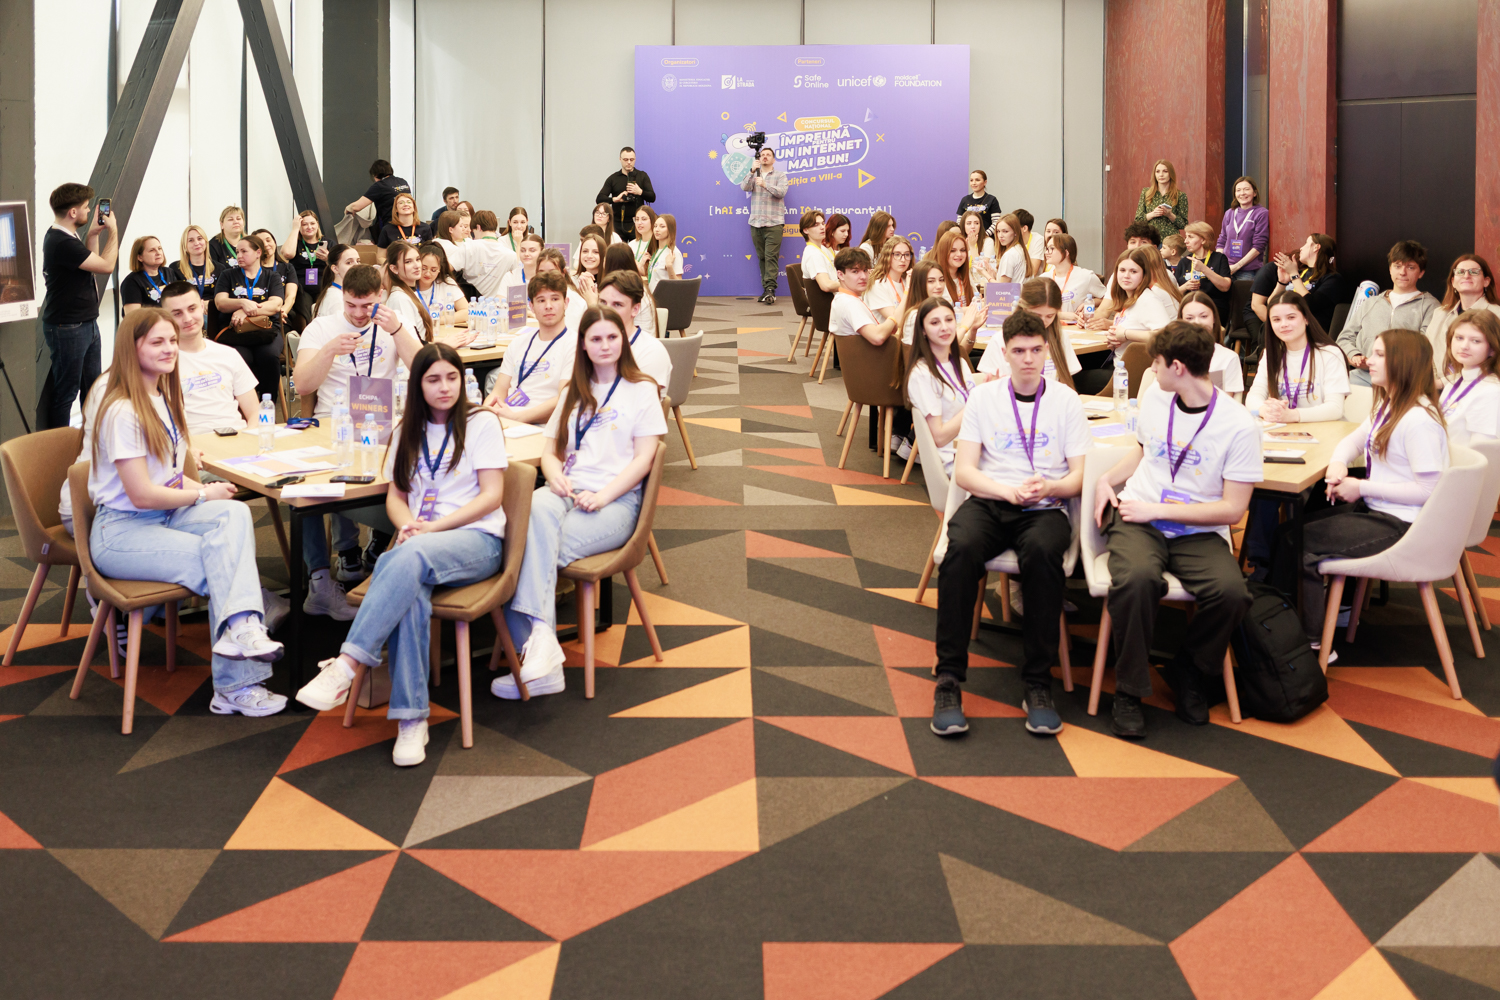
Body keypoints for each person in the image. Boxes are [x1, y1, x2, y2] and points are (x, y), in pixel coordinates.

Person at [295, 343, 508, 765]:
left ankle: (347, 663)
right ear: (418, 386)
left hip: (476, 542)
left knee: (402, 559)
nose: (445, 387)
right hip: (420, 546)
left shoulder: (480, 422)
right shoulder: (406, 430)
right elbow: (396, 496)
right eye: (434, 379)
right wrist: (408, 524)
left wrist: (430, 529)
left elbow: (492, 496)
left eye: (452, 377)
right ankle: (412, 720)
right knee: (408, 592)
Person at [86, 308, 286, 716]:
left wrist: (205, 491)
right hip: (122, 531)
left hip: (164, 517)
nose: (170, 349)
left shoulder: (162, 396)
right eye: (157, 342)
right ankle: (236, 680)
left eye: (172, 341)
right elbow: (142, 494)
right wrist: (201, 496)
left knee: (234, 515)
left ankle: (241, 631)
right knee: (222, 560)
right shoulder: (122, 409)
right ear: (132, 348)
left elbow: (170, 476)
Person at [1092, 321, 1258, 737]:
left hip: (1195, 528)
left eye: (1157, 363)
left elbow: (1233, 510)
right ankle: (1129, 691)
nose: (1151, 369)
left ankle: (1190, 670)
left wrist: (1158, 510)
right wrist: (1105, 479)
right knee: (1137, 579)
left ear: (1178, 368)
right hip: (1139, 515)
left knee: (1232, 593)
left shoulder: (1238, 425)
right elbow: (1143, 453)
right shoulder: (1155, 397)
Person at [493, 306, 667, 699]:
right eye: (596, 339)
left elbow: (644, 459)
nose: (605, 345)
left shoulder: (641, 388)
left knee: (523, 550)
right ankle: (542, 646)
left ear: (622, 341)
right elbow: (550, 451)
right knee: (532, 515)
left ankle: (532, 658)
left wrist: (604, 495)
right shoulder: (574, 390)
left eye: (612, 337)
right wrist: (553, 473)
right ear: (583, 345)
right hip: (567, 491)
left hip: (615, 503)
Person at [933, 308, 1091, 737]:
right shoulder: (984, 398)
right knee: (960, 551)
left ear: (1047, 351)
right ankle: (948, 680)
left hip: (1045, 507)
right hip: (991, 500)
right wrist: (1005, 491)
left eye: (1036, 350)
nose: (1028, 359)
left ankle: (1037, 684)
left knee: (1043, 556)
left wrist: (1051, 486)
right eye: (1019, 351)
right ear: (1004, 353)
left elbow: (1080, 476)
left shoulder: (1065, 400)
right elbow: (965, 472)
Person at [1295, 329, 1447, 659]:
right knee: (1289, 534)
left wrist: (1360, 486)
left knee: (1301, 546)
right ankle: (1296, 625)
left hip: (1403, 524)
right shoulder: (1390, 404)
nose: (1368, 360)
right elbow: (1353, 439)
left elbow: (1428, 491)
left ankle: (1313, 644)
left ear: (1404, 362)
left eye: (1379, 355)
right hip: (1380, 510)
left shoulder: (1418, 420)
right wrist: (1338, 464)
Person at [295, 264, 425, 603]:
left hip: (383, 422)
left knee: (414, 466)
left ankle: (381, 538)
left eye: (367, 305)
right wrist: (329, 351)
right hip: (332, 422)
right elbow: (302, 384)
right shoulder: (322, 327)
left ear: (381, 296)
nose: (358, 313)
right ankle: (337, 559)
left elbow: (424, 370)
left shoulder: (394, 322)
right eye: (350, 305)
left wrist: (398, 331)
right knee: (306, 482)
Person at [38, 183, 116, 430]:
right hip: (68, 327)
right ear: (73, 212)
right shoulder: (61, 242)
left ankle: (90, 438)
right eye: (85, 207)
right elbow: (106, 266)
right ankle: (59, 444)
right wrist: (113, 232)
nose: (89, 210)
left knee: (92, 388)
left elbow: (91, 265)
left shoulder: (67, 237)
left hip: (86, 323)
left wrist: (93, 235)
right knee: (66, 393)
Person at [1337, 241, 1439, 387]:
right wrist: (1354, 354)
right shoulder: (1371, 303)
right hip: (1364, 375)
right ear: (1390, 269)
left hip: (1405, 378)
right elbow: (1345, 337)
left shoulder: (1430, 306)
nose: (1402, 272)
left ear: (1421, 272)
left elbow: (1425, 346)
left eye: (1410, 267)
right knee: (1336, 385)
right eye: (1397, 266)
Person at [481, 270, 577, 418]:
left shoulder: (575, 344)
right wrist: (483, 414)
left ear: (566, 303)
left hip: (544, 424)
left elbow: (564, 400)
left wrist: (519, 417)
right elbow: (498, 392)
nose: (548, 306)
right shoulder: (518, 343)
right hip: (508, 418)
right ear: (531, 306)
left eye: (555, 299)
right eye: (541, 300)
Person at [906, 296, 983, 476]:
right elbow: (939, 437)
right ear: (923, 330)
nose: (944, 327)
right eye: (935, 322)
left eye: (949, 320)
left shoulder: (959, 363)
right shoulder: (922, 374)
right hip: (955, 458)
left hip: (975, 446)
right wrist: (977, 402)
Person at [1245, 290, 1349, 422]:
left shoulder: (1330, 354)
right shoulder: (1270, 354)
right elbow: (1253, 396)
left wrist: (1292, 415)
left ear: (1306, 318)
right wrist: (1265, 410)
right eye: (1276, 320)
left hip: (1325, 429)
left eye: (1291, 317)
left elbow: (1335, 408)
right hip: (1285, 430)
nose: (1284, 324)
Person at [211, 235, 285, 401]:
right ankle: (244, 406)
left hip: (266, 331)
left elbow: (275, 305)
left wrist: (246, 311)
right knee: (242, 358)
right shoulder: (227, 275)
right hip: (235, 333)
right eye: (237, 251)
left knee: (269, 356)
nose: (239, 255)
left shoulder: (272, 276)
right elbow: (220, 303)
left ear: (258, 253)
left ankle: (267, 405)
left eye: (244, 251)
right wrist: (243, 303)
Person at [979, 278, 1080, 386]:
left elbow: (1065, 384)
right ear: (1023, 306)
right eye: (1037, 315)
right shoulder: (1000, 339)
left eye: (1050, 316)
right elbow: (991, 383)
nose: (1043, 321)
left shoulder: (1061, 337)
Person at [1424, 254, 1500, 377]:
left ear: (1486, 281)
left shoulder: (1497, 314)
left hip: (1482, 384)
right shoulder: (1439, 313)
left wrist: (1443, 382)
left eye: (1474, 272)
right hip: (1438, 385)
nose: (1466, 276)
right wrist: (1432, 382)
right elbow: (1428, 353)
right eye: (1460, 272)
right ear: (1453, 282)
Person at [597, 269, 673, 393]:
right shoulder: (590, 344)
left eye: (617, 305)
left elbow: (643, 402)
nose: (607, 311)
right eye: (602, 302)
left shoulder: (651, 352)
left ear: (635, 309)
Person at [1263, 233, 1348, 336]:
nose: (1301, 248)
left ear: (1316, 247)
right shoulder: (1301, 273)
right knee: (1265, 328)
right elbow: (1271, 304)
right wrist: (1282, 282)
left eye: (1306, 243)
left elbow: (1309, 305)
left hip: (1311, 332)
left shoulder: (1333, 279)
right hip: (1287, 325)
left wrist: (1294, 274)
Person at [1438, 309, 1500, 444]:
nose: (1464, 346)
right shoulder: (1453, 384)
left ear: (1493, 349)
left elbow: (1482, 451)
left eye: (1476, 341)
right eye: (1459, 338)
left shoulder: (1491, 391)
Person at [741, 145, 788, 305]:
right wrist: (751, 171)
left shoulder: (780, 175)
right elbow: (744, 187)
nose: (765, 156)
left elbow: (781, 192)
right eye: (762, 155)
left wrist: (765, 185)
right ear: (759, 159)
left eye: (768, 154)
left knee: (771, 256)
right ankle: (766, 289)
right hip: (756, 223)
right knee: (762, 257)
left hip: (774, 223)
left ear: (773, 159)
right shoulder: (755, 174)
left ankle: (770, 289)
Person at [1178, 292, 1246, 398]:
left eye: (1203, 316)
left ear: (1214, 318)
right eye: (1189, 318)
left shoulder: (1228, 358)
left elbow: (1226, 402)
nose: (1197, 322)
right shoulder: (1170, 355)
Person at [831, 249, 897, 345]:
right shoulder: (850, 303)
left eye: (865, 270)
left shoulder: (843, 298)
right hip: (872, 353)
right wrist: (895, 317)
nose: (863, 276)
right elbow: (877, 337)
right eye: (855, 271)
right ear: (840, 275)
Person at [1041, 233, 1106, 321]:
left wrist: (1091, 302)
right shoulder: (1043, 279)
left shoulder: (1086, 276)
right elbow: (1034, 309)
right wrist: (1062, 315)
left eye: (1052, 248)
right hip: (1050, 326)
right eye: (1047, 249)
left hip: (1076, 327)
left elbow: (1109, 299)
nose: (1046, 253)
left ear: (1066, 252)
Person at [597, 147, 657, 242]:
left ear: (635, 159)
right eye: (625, 159)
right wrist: (615, 199)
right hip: (617, 223)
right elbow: (599, 199)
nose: (629, 162)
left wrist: (639, 192)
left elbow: (652, 197)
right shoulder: (613, 178)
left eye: (631, 159)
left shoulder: (642, 176)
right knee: (618, 250)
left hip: (638, 223)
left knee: (638, 249)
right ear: (620, 159)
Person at [1177, 222, 1232, 323]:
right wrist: (1185, 287)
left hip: (1214, 307)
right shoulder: (1184, 261)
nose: (1186, 241)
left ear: (1203, 240)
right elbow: (1173, 293)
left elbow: (1225, 287)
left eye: (1190, 237)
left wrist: (1204, 269)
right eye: (1186, 237)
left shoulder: (1219, 258)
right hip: (1189, 307)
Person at [1217, 176, 1269, 280]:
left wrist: (1237, 266)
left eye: (1246, 189)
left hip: (1248, 271)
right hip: (1227, 268)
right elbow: (1222, 240)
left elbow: (1259, 246)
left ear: (1254, 193)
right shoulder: (1229, 213)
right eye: (1238, 190)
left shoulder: (1261, 213)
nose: (1242, 193)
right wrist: (1220, 264)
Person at [345, 159, 412, 236]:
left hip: (392, 227)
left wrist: (348, 209)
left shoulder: (381, 185)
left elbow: (356, 206)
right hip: (409, 224)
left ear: (376, 174)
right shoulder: (403, 182)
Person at [464, 211, 522, 296]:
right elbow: (516, 281)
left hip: (470, 300)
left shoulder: (467, 246)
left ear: (478, 227)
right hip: (499, 300)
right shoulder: (510, 254)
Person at [119, 236, 180, 314]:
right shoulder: (131, 282)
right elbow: (134, 317)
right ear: (140, 257)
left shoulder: (169, 272)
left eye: (159, 248)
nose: (158, 253)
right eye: (152, 250)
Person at [535, 247, 590, 332]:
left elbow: (569, 333)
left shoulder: (573, 299)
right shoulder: (539, 293)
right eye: (541, 272)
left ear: (563, 273)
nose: (546, 277)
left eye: (552, 272)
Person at [416, 242, 470, 326]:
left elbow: (466, 312)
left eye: (433, 270)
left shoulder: (446, 283)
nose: (428, 273)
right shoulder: (407, 285)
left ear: (440, 269)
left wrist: (436, 320)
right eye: (423, 268)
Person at [1135, 159, 1188, 242]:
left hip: (1171, 241)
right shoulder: (1146, 192)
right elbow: (1138, 220)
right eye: (1158, 171)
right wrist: (1153, 214)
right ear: (1154, 174)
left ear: (1171, 174)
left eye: (1165, 171)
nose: (1161, 175)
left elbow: (1184, 224)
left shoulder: (1180, 195)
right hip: (1150, 239)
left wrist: (1170, 215)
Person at [865, 238, 913, 322]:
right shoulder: (877, 284)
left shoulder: (907, 280)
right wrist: (908, 289)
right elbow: (897, 321)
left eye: (907, 254)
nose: (903, 259)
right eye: (897, 254)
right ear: (887, 256)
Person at [314, 244, 361, 318]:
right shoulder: (337, 299)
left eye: (358, 261)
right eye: (349, 262)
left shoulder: (340, 293)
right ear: (335, 269)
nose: (357, 266)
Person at [172, 225, 216, 302]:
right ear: (185, 246)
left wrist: (208, 304)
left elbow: (221, 298)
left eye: (200, 238)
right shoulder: (175, 268)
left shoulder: (219, 268)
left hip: (211, 307)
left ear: (205, 242)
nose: (196, 243)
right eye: (191, 240)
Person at [933, 229, 975, 308]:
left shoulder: (965, 275)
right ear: (943, 252)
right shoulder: (936, 280)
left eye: (962, 250)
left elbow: (976, 300)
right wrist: (969, 309)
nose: (959, 254)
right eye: (953, 251)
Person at [799, 210, 838, 293]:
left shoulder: (823, 249)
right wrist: (850, 285)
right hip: (831, 299)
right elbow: (826, 285)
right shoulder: (813, 254)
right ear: (806, 230)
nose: (822, 227)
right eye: (816, 225)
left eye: (823, 223)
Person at [993, 213, 1035, 283]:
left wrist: (986, 275)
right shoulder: (1020, 249)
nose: (1000, 235)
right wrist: (993, 274)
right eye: (998, 231)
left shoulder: (1009, 254)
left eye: (1005, 231)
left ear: (1015, 232)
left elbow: (1003, 287)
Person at [431, 210, 470, 277]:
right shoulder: (447, 246)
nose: (464, 229)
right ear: (451, 230)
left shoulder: (435, 241)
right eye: (461, 226)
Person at [961, 211, 996, 283]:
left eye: (976, 223)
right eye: (969, 223)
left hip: (981, 281)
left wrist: (972, 247)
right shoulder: (960, 242)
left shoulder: (988, 241)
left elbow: (983, 268)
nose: (973, 226)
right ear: (963, 226)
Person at [574, 232, 610, 303]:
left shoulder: (609, 284)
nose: (589, 256)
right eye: (585, 251)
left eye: (595, 252)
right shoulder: (573, 281)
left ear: (603, 255)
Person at [209, 206, 247, 270]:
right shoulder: (213, 246)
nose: (236, 222)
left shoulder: (251, 242)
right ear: (222, 225)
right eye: (230, 219)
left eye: (238, 219)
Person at [628, 206, 658, 270]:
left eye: (644, 219)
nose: (639, 223)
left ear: (652, 220)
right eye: (637, 219)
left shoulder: (658, 244)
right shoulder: (631, 245)